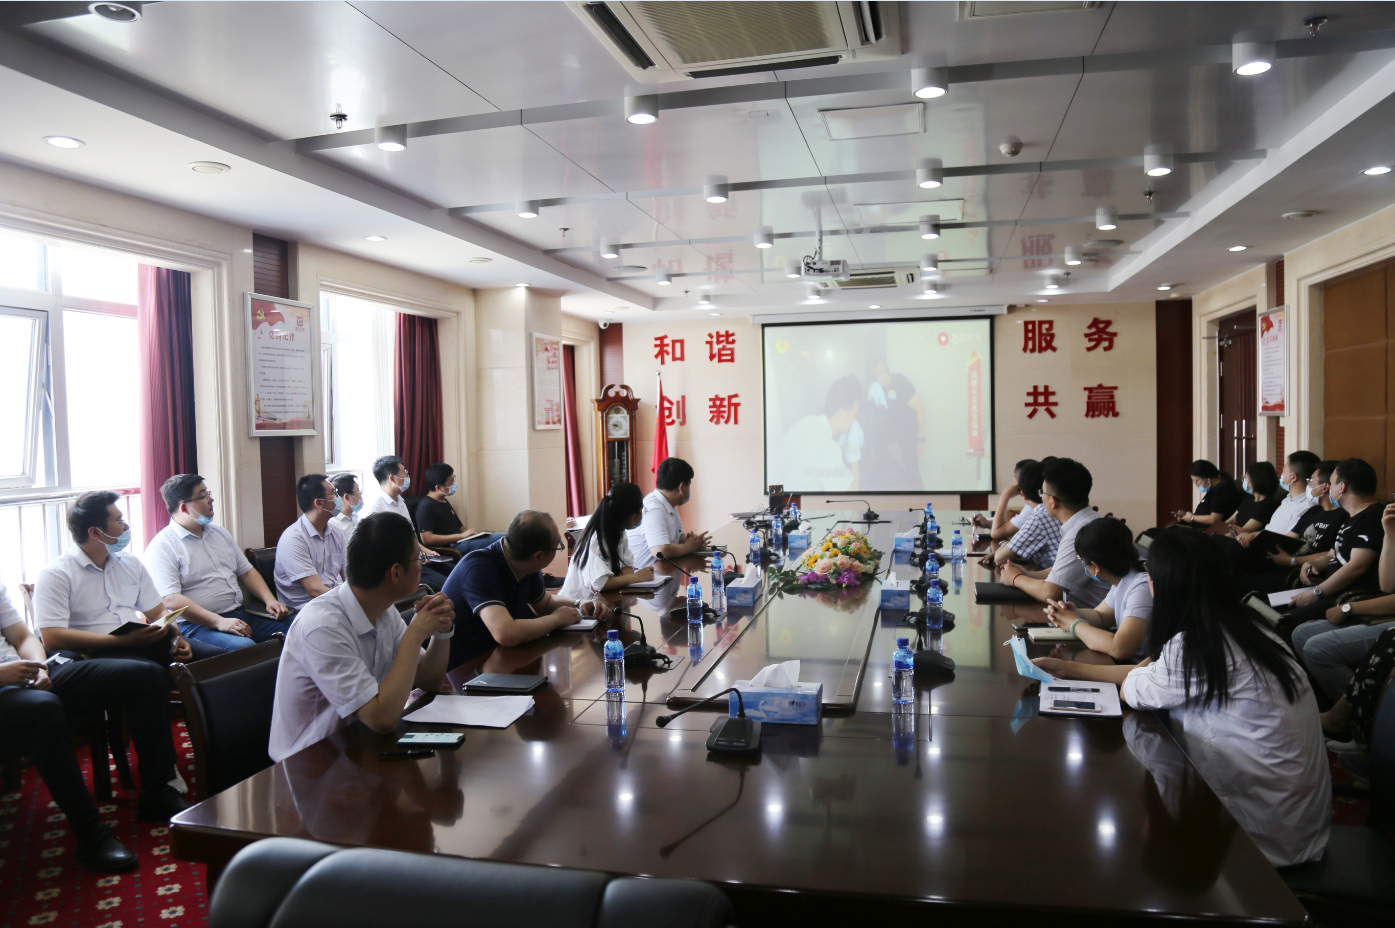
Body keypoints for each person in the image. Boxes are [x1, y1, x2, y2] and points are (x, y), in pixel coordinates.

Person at [1035, 527, 1331, 868]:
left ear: (1162, 587)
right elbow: (1151, 676)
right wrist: (1069, 668)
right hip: (1293, 818)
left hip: (1261, 839)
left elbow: (1133, 689)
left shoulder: (1194, 647)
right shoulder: (1247, 629)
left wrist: (1088, 668)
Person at [0, 578, 185, 869]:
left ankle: (158, 790)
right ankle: (89, 832)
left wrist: (39, 667)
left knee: (144, 674)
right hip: (6, 683)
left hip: (26, 674)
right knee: (43, 708)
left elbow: (23, 637)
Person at [268, 512, 455, 763]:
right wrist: (415, 634)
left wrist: (442, 630)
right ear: (396, 572)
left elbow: (429, 680)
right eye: (418, 558)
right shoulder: (323, 626)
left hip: (361, 747)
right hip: (311, 764)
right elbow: (382, 719)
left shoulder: (383, 609)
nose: (422, 565)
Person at [33, 490, 209, 664]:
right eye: (119, 521)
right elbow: (52, 637)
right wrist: (122, 641)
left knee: (215, 656)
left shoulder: (130, 563)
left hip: (140, 643)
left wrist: (176, 638)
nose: (126, 527)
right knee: (147, 671)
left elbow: (158, 612)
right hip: (96, 652)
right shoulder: (56, 575)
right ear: (95, 533)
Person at [143, 474, 290, 653]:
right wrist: (219, 621)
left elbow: (246, 572)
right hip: (197, 625)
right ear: (184, 507)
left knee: (298, 627)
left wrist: (270, 600)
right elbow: (171, 599)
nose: (210, 499)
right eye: (203, 496)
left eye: (208, 493)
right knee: (244, 648)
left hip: (240, 615)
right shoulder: (162, 546)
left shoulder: (220, 533)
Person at [443, 510, 611, 667]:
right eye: (558, 545)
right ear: (538, 556)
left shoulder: (524, 559)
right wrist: (556, 620)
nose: (560, 547)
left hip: (496, 657)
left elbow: (545, 604)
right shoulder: (479, 569)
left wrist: (581, 603)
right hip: (464, 667)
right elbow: (506, 634)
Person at [1287, 462, 1391, 701]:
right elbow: (1334, 554)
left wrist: (1316, 593)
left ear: (1341, 487)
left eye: (1331, 483)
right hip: (1331, 590)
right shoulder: (1351, 517)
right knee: (1281, 616)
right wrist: (1311, 563)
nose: (1328, 487)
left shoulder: (1372, 517)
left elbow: (1358, 567)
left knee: (1289, 621)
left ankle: (1355, 709)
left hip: (1347, 595)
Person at [998, 458, 1110, 608]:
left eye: (1042, 493)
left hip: (1091, 615)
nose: (1041, 497)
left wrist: (1015, 578)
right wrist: (1027, 574)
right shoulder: (1090, 520)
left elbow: (1050, 593)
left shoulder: (1079, 534)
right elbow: (1065, 570)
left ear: (1053, 501)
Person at [1042, 517, 1152, 662]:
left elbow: (1120, 648)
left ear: (1095, 566)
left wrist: (1074, 624)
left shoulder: (1141, 588)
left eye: (1081, 560)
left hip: (1142, 668)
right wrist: (1072, 614)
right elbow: (1101, 616)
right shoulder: (1124, 580)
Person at [365, 455, 450, 591]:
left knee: (456, 575)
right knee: (445, 588)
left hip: (415, 560)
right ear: (392, 478)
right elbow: (380, 549)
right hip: (400, 568)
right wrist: (416, 558)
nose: (407, 476)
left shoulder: (400, 501)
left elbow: (410, 536)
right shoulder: (376, 507)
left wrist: (427, 552)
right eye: (404, 472)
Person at [560, 482, 653, 602]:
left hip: (600, 602)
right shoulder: (598, 537)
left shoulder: (619, 532)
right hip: (576, 606)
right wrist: (637, 577)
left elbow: (627, 569)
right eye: (640, 511)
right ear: (632, 516)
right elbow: (599, 585)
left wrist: (624, 578)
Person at [274, 474, 348, 610]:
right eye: (334, 493)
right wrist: (351, 602)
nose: (338, 498)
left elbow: (348, 574)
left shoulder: (335, 532)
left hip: (333, 601)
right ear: (319, 503)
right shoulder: (293, 539)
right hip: (307, 609)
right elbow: (314, 590)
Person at [775, 377, 860, 493]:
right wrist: (854, 451)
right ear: (841, 414)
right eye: (854, 414)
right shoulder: (827, 449)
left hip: (773, 492)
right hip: (783, 502)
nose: (855, 420)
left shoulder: (809, 421)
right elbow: (852, 494)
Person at [625, 457, 711, 569]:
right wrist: (689, 547)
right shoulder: (654, 509)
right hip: (641, 575)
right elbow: (660, 551)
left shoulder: (670, 503)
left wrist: (693, 541)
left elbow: (678, 537)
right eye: (689, 485)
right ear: (682, 487)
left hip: (660, 571)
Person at [1234, 451, 1319, 548]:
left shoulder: (1307, 506)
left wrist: (1253, 539)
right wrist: (1248, 535)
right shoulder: (1287, 499)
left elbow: (1286, 541)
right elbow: (1269, 531)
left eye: (1283, 471)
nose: (1281, 475)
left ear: (1293, 477)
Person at [863, 360, 925, 491]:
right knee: (876, 440)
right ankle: (882, 473)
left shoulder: (901, 384)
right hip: (893, 428)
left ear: (883, 374)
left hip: (907, 431)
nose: (874, 382)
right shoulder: (880, 389)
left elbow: (919, 408)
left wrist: (922, 439)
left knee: (912, 470)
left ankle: (921, 498)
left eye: (874, 378)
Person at [415, 462, 502, 555]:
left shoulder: (443, 501)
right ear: (439, 487)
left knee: (499, 538)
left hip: (461, 541)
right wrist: (461, 536)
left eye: (454, 480)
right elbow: (427, 539)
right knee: (501, 539)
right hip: (452, 547)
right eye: (451, 482)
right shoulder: (426, 506)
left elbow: (461, 528)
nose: (454, 484)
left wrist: (474, 535)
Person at [994, 460, 1061, 571]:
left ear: (1023, 494)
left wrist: (1005, 543)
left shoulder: (1038, 518)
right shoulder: (1055, 509)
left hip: (1058, 579)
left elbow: (999, 559)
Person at [1174, 460, 1240, 526]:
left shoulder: (1222, 491)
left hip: (1208, 530)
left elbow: (1214, 519)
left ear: (1207, 477)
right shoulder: (1213, 489)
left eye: (1196, 481)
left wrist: (1192, 517)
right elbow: (1206, 512)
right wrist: (1187, 516)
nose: (1196, 485)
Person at [1226, 461, 1282, 536]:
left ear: (1256, 480)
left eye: (1246, 477)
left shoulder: (1268, 506)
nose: (1244, 480)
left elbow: (1243, 531)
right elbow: (1232, 519)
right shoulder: (1249, 497)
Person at [329, 473, 365, 542]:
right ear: (347, 497)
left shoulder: (357, 518)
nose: (360, 493)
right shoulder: (333, 526)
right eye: (358, 490)